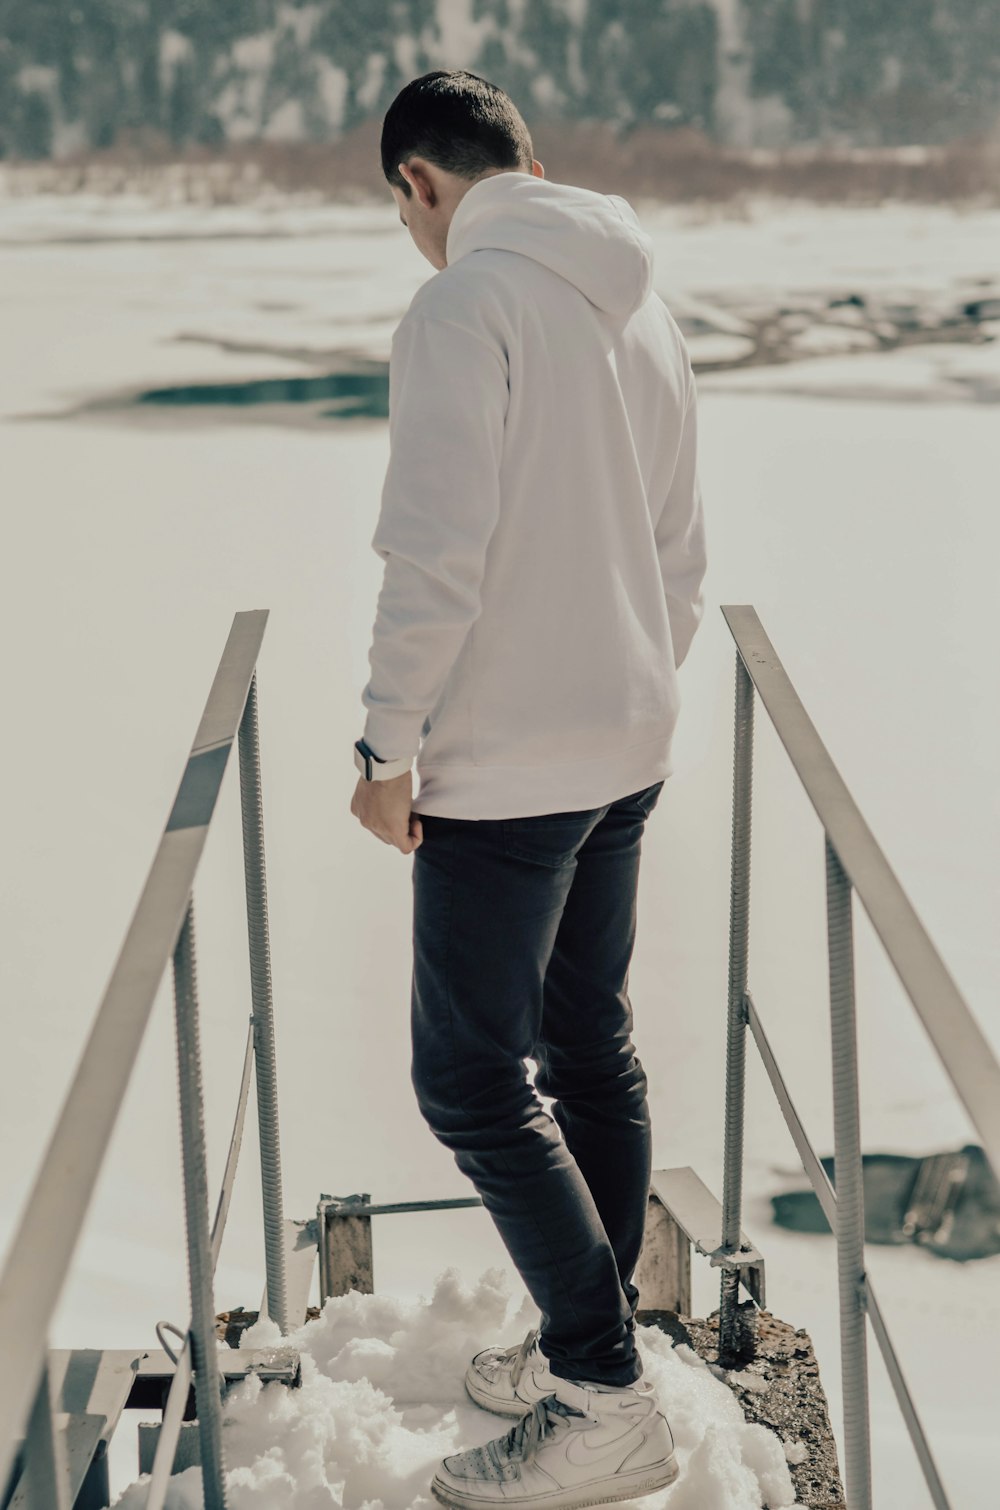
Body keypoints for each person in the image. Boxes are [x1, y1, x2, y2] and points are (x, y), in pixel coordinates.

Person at [350, 69, 707, 1510]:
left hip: (510, 764)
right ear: (529, 162)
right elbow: (682, 552)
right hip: (629, 736)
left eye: (405, 210)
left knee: (471, 1075)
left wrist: (386, 747)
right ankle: (592, 1337)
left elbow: (432, 547)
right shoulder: (639, 302)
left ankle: (602, 1390)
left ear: (421, 187)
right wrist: (630, 684)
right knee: (587, 1040)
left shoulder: (464, 306)